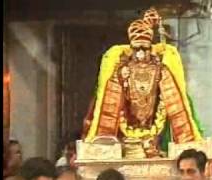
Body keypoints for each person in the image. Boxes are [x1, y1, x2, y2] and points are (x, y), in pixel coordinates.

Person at [82, 7, 204, 157]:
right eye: (136, 49)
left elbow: (175, 106)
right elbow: (109, 106)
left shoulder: (161, 69)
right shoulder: (121, 70)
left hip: (154, 137)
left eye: (144, 49)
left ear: (150, 49)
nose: (140, 54)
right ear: (131, 49)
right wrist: (120, 77)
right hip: (126, 139)